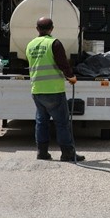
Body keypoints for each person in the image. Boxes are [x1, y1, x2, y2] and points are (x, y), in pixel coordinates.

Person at [25, 17, 85, 163]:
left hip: (37, 90)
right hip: (53, 90)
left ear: (37, 29)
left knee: (41, 122)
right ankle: (67, 154)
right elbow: (63, 64)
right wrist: (71, 77)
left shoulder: (30, 45)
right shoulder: (54, 43)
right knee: (62, 123)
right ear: (51, 28)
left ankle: (42, 152)